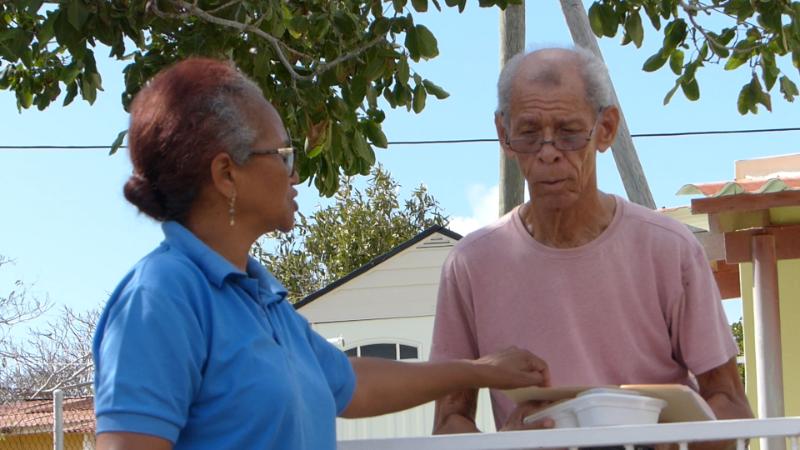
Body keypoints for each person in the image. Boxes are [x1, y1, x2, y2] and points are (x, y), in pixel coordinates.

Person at [92, 57, 550, 450]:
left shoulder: (259, 300)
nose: (295, 176)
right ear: (226, 174)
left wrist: (477, 371)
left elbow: (353, 384)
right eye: (284, 155)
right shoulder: (161, 297)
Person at [430, 46, 753, 435]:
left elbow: (732, 405)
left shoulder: (669, 249)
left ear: (606, 129)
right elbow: (449, 422)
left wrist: (673, 436)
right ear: (504, 134)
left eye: (568, 133)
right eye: (529, 134)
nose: (548, 153)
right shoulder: (471, 265)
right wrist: (507, 446)